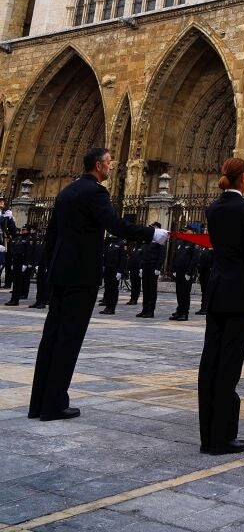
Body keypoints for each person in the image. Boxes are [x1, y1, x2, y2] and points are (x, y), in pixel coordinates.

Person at [28, 147, 167, 421]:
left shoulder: (66, 192)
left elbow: (52, 235)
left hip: (60, 274)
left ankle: (39, 403)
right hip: (81, 276)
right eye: (109, 162)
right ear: (98, 166)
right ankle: (54, 405)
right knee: (69, 339)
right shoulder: (95, 192)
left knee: (52, 338)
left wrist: (48, 268)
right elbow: (116, 225)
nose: (112, 166)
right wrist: (152, 233)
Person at [198, 156, 244, 455]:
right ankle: (223, 437)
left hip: (216, 292)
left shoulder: (213, 209)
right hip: (239, 295)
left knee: (210, 363)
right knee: (229, 367)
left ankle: (207, 435)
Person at [137, 225, 165, 317]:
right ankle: (144, 309)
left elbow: (161, 256)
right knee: (145, 289)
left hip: (153, 268)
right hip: (145, 266)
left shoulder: (159, 241)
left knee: (152, 290)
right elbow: (143, 254)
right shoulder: (148, 240)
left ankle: (150, 311)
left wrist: (158, 268)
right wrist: (141, 267)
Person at [5, 226, 35, 305]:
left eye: (24, 229)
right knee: (15, 282)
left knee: (18, 282)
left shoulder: (29, 239)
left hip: (21, 263)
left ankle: (15, 300)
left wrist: (26, 264)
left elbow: (29, 252)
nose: (22, 231)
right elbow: (13, 250)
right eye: (22, 229)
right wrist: (12, 262)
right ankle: (13, 299)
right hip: (16, 262)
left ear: (27, 231)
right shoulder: (19, 238)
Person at [171, 239, 199, 321]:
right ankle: (179, 311)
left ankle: (184, 313)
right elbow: (175, 257)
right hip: (179, 273)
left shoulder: (193, 243)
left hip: (186, 273)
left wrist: (189, 273)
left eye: (187, 230)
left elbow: (195, 259)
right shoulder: (180, 243)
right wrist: (173, 270)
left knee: (185, 294)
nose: (185, 232)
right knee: (179, 293)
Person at [98, 235, 127, 315]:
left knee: (113, 289)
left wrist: (120, 271)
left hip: (115, 270)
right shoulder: (110, 243)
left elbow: (123, 259)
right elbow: (105, 256)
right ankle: (107, 306)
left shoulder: (121, 243)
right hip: (108, 269)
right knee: (107, 288)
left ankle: (111, 308)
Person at [30, 233, 51, 309]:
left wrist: (46, 266)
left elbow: (49, 255)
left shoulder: (49, 243)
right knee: (39, 284)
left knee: (44, 285)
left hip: (45, 265)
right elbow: (37, 253)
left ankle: (43, 302)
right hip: (39, 265)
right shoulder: (40, 241)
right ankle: (38, 300)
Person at [196, 243, 213, 314]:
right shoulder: (202, 250)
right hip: (203, 274)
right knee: (203, 292)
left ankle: (205, 308)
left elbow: (208, 262)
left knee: (206, 292)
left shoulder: (210, 252)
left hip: (207, 274)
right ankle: (203, 308)